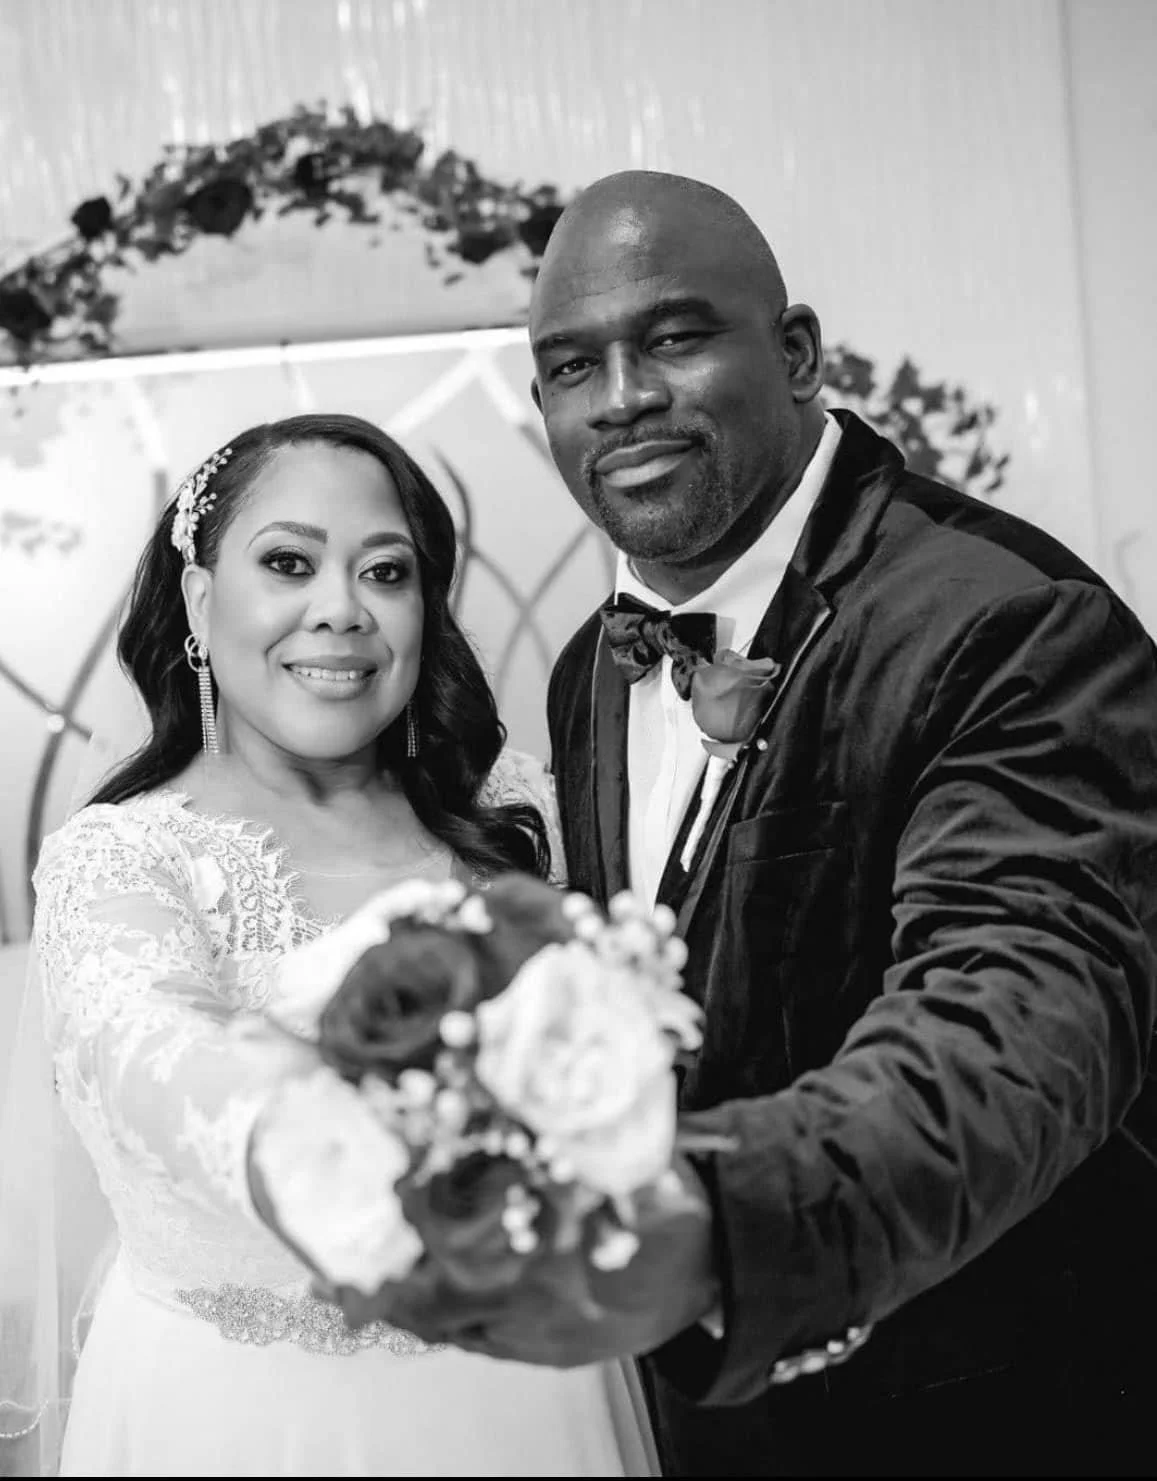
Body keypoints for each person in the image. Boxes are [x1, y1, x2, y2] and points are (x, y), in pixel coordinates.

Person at [359, 173, 1157, 1477]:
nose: (621, 396)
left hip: (998, 1402)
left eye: (673, 338)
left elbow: (1010, 1028)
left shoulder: (1009, 625)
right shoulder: (589, 670)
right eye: (571, 365)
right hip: (711, 1425)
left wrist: (701, 1228)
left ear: (794, 353)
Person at [0, 413, 654, 1477]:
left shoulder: (524, 814)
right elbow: (150, 1054)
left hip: (523, 1399)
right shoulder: (123, 860)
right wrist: (352, 1139)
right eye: (288, 563)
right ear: (202, 602)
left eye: (385, 571)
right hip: (232, 1420)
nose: (341, 609)